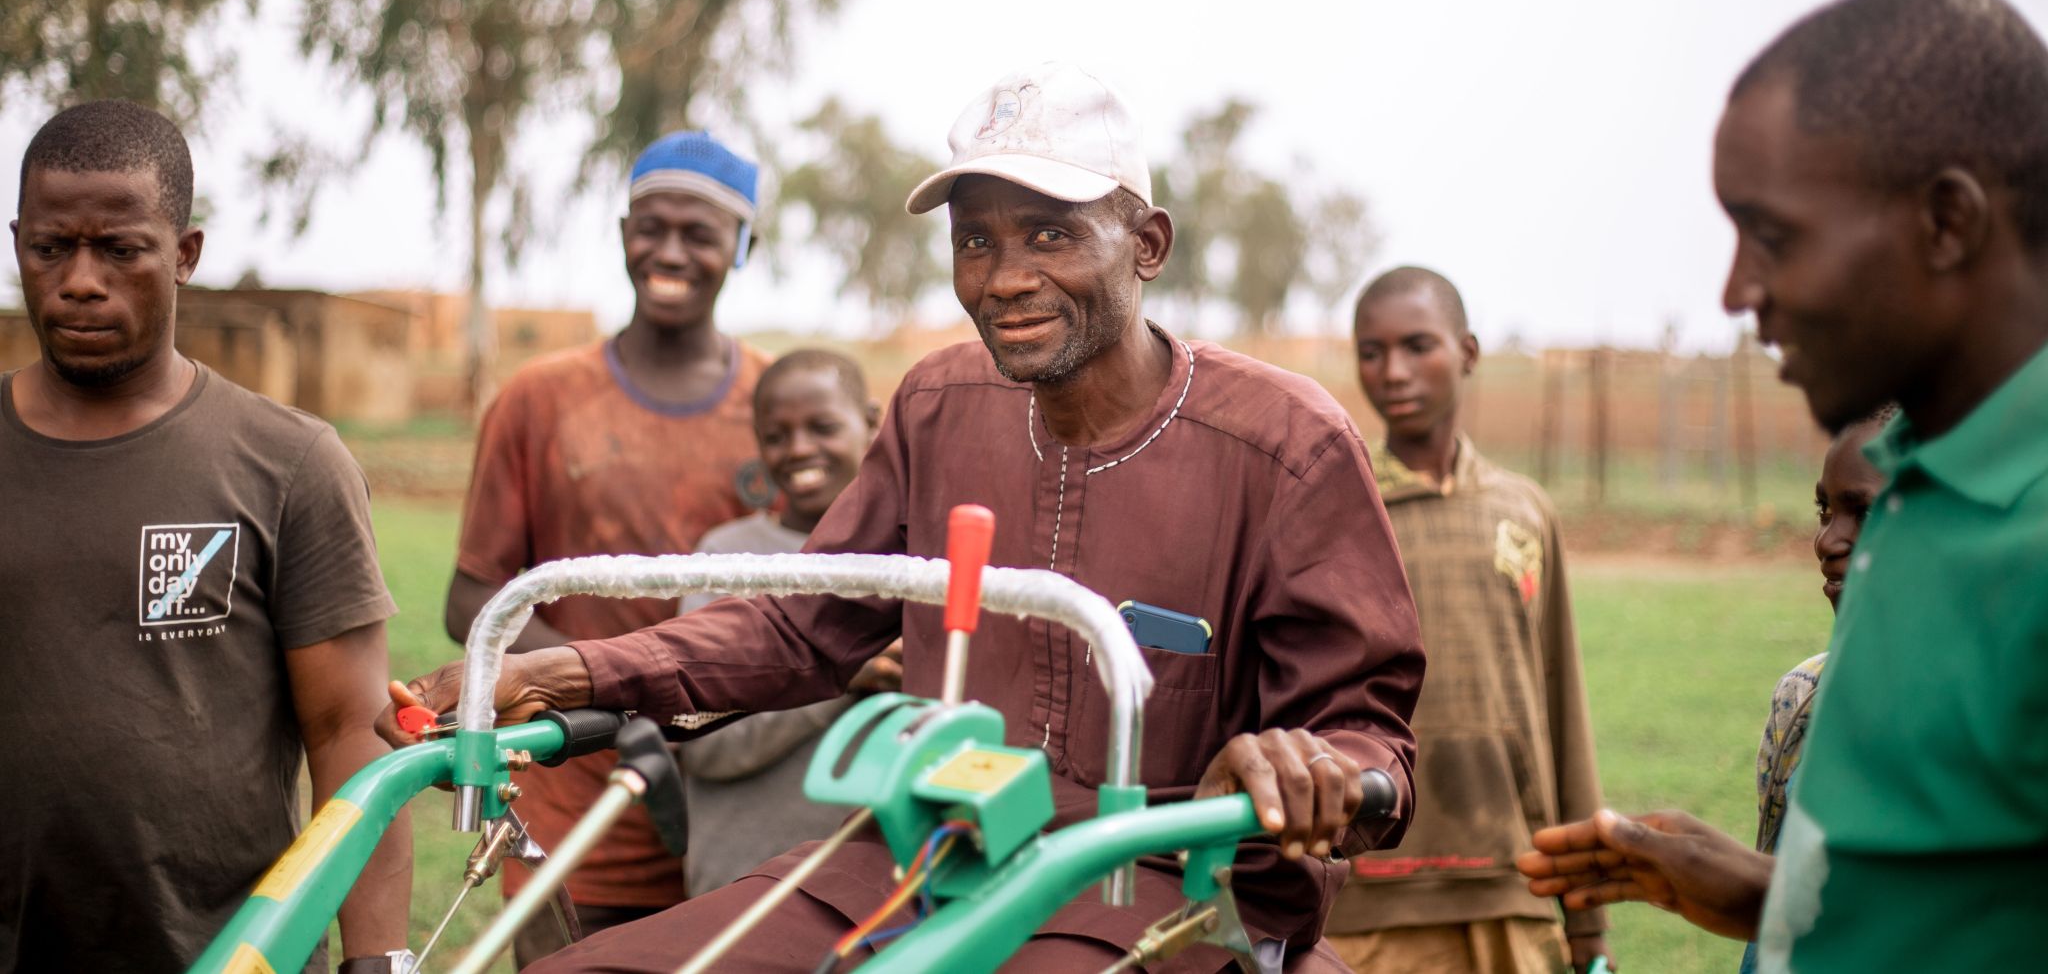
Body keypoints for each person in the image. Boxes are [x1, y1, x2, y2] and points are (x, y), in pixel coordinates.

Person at [387, 63, 1427, 973]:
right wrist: (566, 672)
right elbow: (802, 625)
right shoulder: (936, 405)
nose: (1005, 278)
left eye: (1051, 234)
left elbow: (1366, 734)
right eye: (976, 240)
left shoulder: (1286, 446)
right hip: (926, 852)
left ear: (1146, 244)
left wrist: (1306, 766)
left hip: (1156, 878)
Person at [1517, 0, 2048, 970]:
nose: (1735, 291)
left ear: (1946, 222)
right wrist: (1772, 892)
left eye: (1771, 236)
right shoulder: (1916, 501)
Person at [0, 100, 410, 974]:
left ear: (185, 253)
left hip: (231, 955)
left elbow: (350, 729)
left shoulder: (289, 463)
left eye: (120, 249)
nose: (80, 280)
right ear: (17, 244)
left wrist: (376, 959)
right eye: (50, 247)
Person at [444, 130, 773, 964]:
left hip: (734, 818)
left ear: (743, 245)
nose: (670, 252)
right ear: (624, 230)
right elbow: (474, 598)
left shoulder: (785, 414)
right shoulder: (539, 399)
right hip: (573, 814)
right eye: (650, 227)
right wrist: (614, 698)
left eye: (699, 233)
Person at [1327, 267, 1608, 974]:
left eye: (1418, 346)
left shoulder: (1524, 511)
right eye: (1371, 352)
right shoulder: (1338, 506)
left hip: (1515, 880)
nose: (1393, 371)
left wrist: (1587, 915)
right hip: (1369, 897)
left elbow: (1560, 705)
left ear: (1468, 352)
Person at [677, 348, 903, 895]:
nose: (799, 449)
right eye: (776, 436)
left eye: (823, 427)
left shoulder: (915, 559)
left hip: (882, 894)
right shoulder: (727, 560)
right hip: (740, 886)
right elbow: (704, 744)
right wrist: (841, 675)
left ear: (872, 422)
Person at [1736, 406, 1888, 974]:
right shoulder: (1803, 699)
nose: (1827, 540)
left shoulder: (2013, 721)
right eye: (1825, 510)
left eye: (1864, 512)